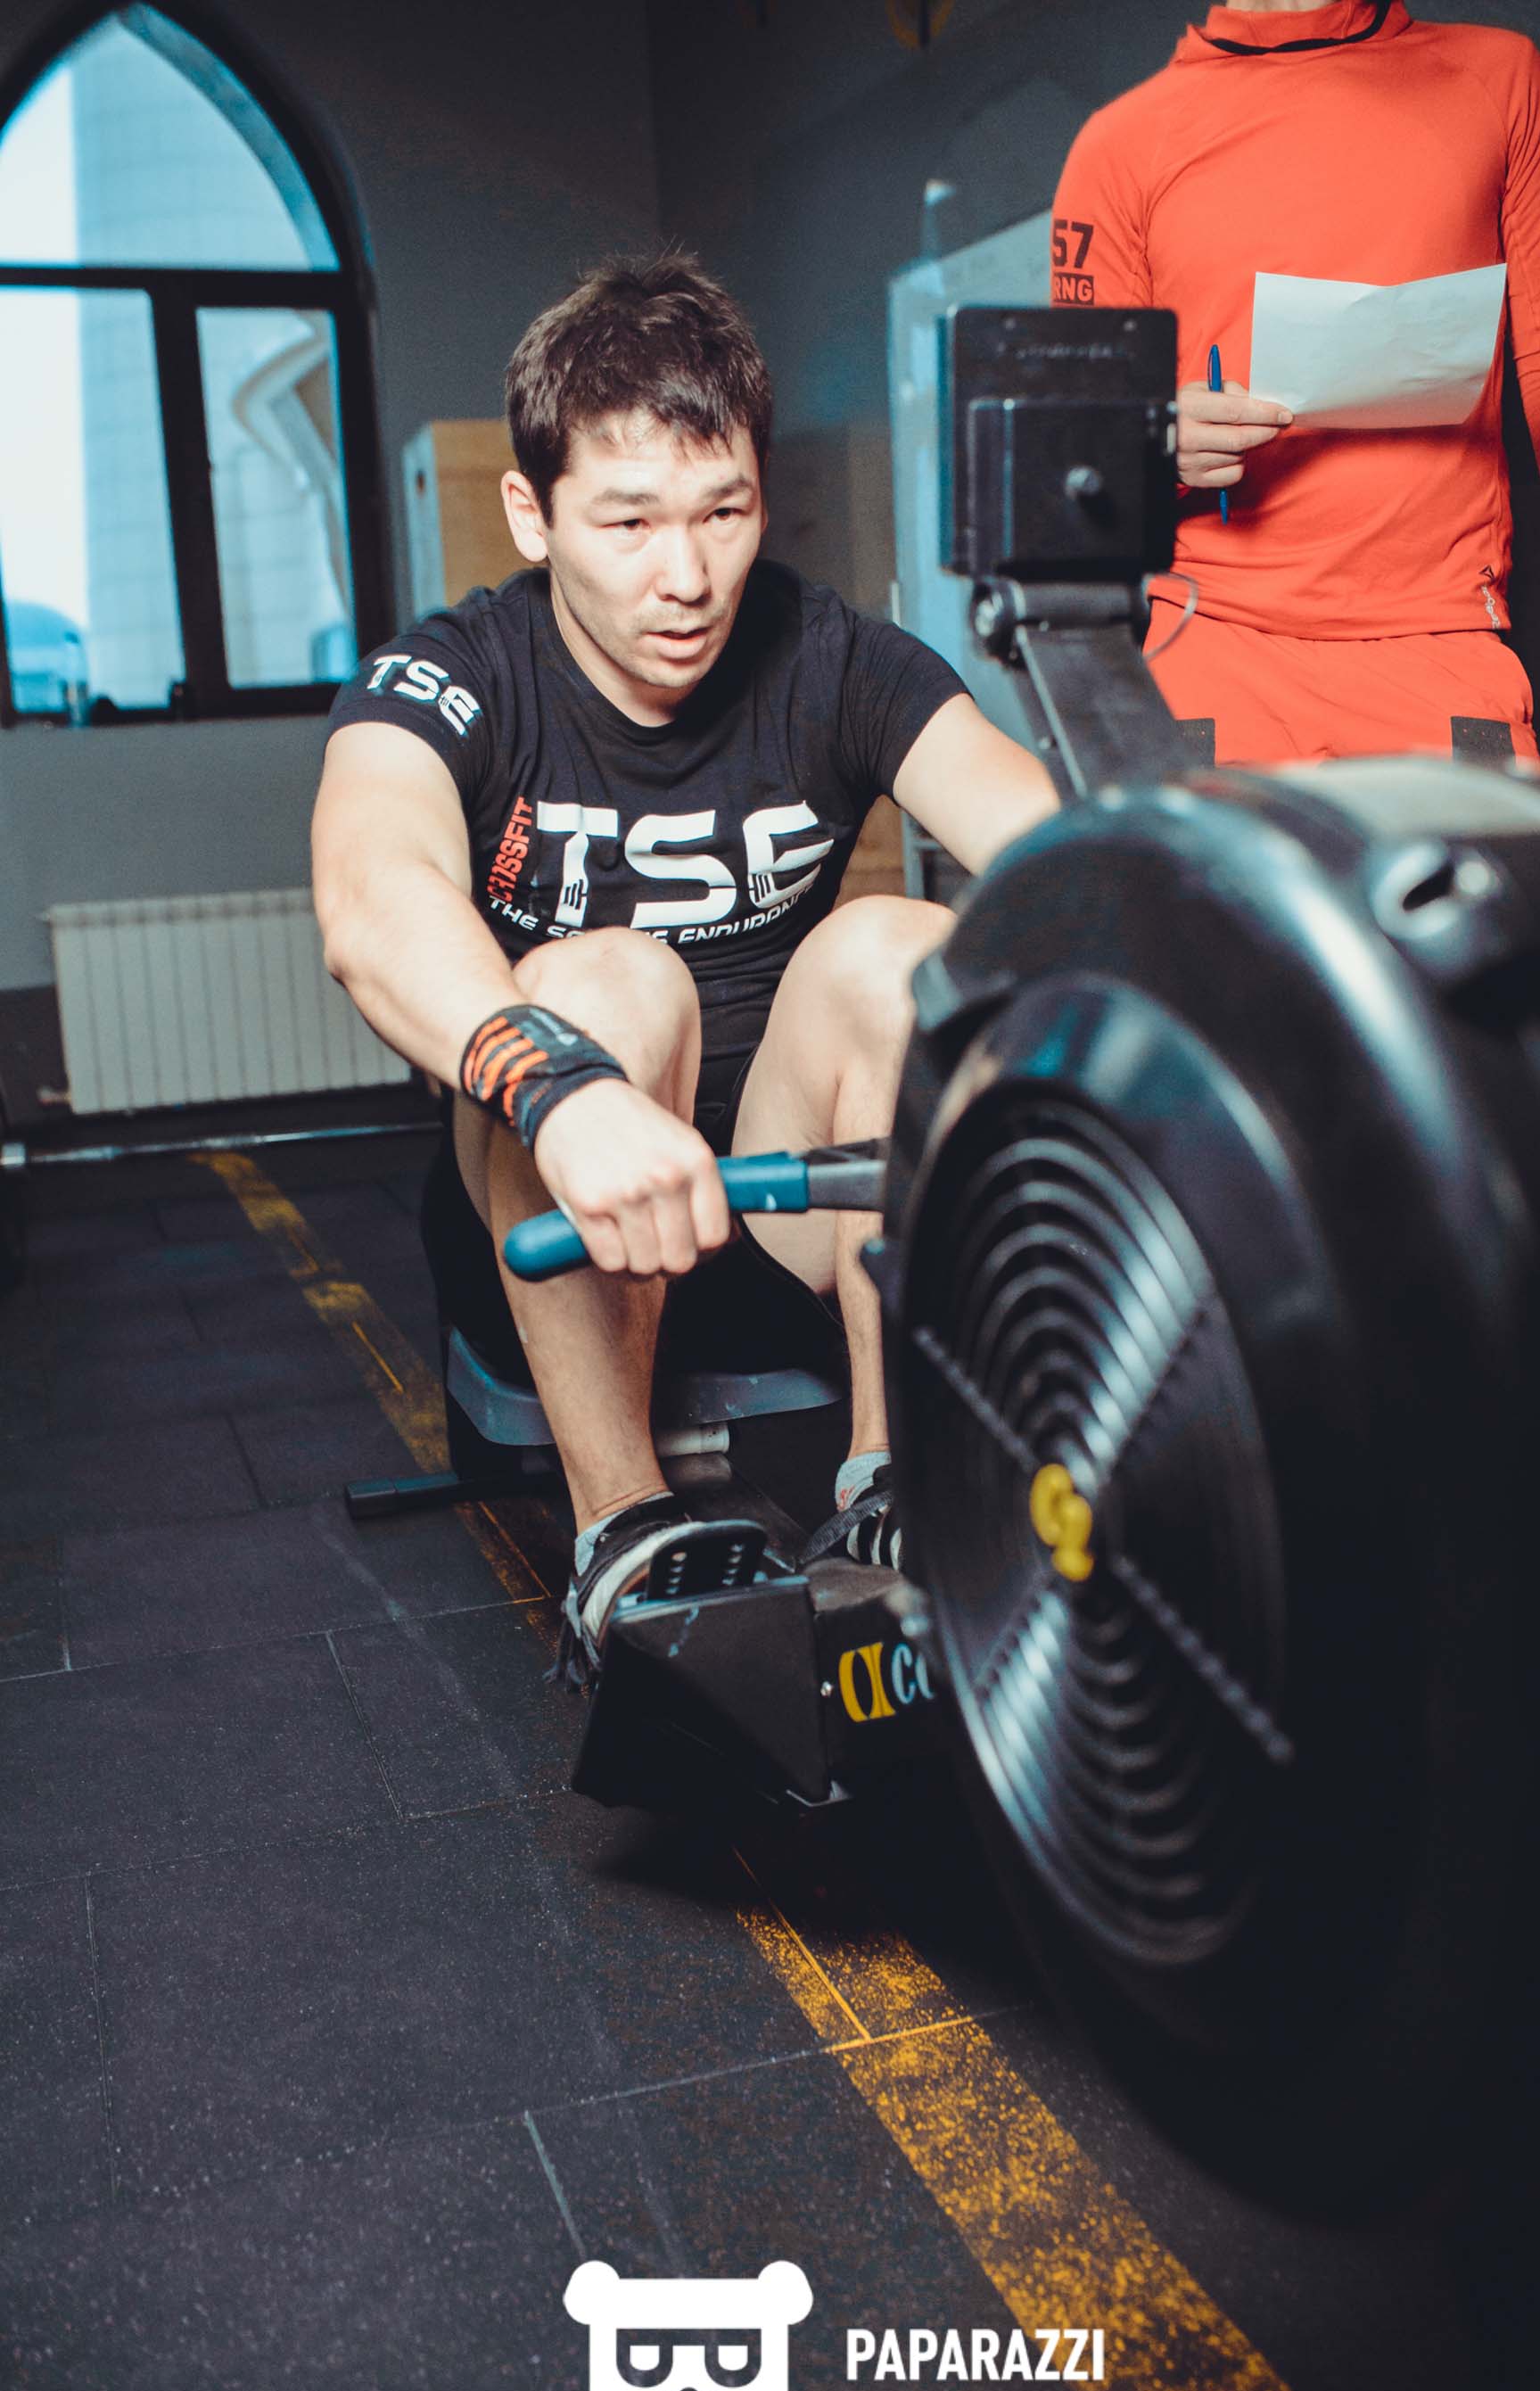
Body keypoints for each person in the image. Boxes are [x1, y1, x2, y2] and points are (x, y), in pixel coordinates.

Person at [313, 252, 1056, 1680]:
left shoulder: (837, 659)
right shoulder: (457, 673)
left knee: (899, 946)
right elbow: (370, 894)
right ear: (532, 515)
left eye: (724, 512)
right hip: (551, 1208)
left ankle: (895, 1485)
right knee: (608, 983)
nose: (688, 576)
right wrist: (562, 1091)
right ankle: (621, 1529)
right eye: (629, 521)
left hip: (781, 1213)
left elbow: (1053, 857)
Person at [1051, 0, 1540, 770]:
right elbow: (1073, 448)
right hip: (1212, 643)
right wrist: (1151, 441)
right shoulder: (1119, 144)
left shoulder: (1494, 76)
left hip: (1439, 642)